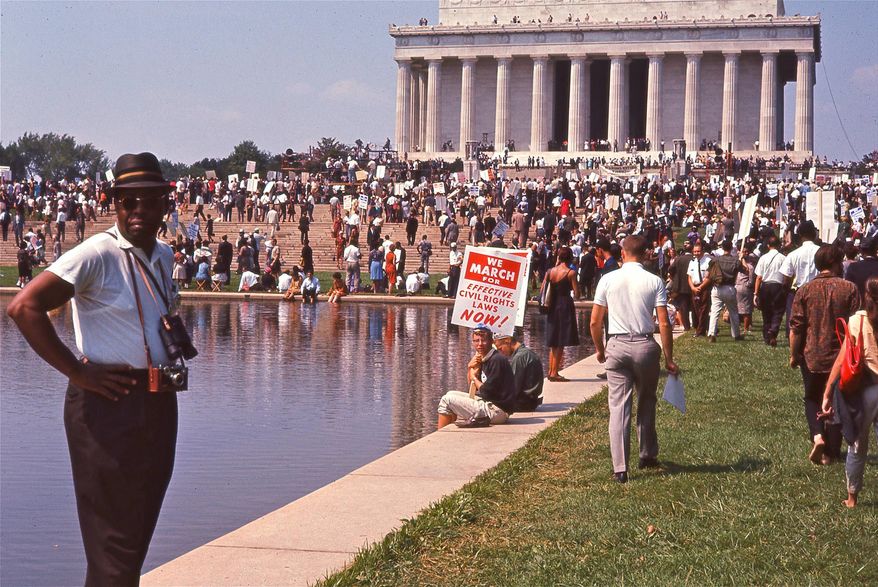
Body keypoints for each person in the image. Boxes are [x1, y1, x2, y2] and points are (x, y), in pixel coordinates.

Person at [6, 152, 185, 584]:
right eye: (128, 201)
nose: (138, 209)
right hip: (108, 402)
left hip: (158, 403)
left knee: (131, 541)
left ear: (165, 203)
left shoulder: (161, 254)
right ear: (114, 204)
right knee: (114, 547)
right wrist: (77, 372)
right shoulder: (97, 253)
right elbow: (24, 306)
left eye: (148, 199)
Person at [589, 235, 679, 483]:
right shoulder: (654, 280)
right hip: (644, 344)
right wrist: (669, 358)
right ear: (645, 253)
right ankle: (647, 453)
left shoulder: (607, 279)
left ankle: (620, 467)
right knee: (647, 400)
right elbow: (663, 322)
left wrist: (599, 349)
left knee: (618, 406)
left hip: (617, 344)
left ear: (623, 254)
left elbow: (595, 321)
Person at [790, 244, 859, 465]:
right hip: (840, 355)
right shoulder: (849, 289)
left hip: (811, 353)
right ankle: (831, 451)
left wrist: (794, 354)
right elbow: (855, 325)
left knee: (812, 398)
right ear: (836, 263)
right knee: (838, 402)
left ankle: (817, 436)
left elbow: (796, 327)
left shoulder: (804, 290)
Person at [822, 276, 878, 508]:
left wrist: (827, 391)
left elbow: (844, 358)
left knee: (857, 444)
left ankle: (852, 497)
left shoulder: (858, 321)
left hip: (864, 390)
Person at [437, 326, 517, 429]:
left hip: (498, 411)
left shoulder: (496, 360)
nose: (479, 344)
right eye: (476, 341)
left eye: (483, 340)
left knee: (446, 400)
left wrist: (474, 377)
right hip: (489, 403)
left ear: (491, 341)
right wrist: (470, 367)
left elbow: (486, 392)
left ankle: (442, 437)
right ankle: (448, 431)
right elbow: (472, 389)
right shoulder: (483, 358)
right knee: (450, 393)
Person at [543, 246, 580, 381]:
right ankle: (555, 372)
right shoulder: (571, 273)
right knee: (561, 339)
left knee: (553, 339)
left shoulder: (550, 271)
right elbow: (577, 294)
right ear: (570, 257)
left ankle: (551, 370)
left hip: (552, 305)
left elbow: (543, 289)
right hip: (564, 305)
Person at [705, 240, 745, 342]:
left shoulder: (715, 260)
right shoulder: (735, 260)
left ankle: (712, 334)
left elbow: (708, 273)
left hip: (716, 288)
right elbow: (745, 270)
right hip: (729, 288)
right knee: (733, 312)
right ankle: (736, 335)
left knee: (714, 312)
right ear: (731, 248)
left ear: (722, 248)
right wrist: (741, 258)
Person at [494, 332, 544, 411]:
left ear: (508, 341)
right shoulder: (527, 352)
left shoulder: (519, 357)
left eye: (500, 348)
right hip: (530, 400)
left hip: (523, 403)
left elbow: (513, 388)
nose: (501, 352)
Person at [753, 234, 787, 346]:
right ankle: (774, 330)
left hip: (765, 286)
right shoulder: (783, 258)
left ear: (768, 245)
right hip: (778, 286)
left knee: (766, 312)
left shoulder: (763, 258)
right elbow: (787, 275)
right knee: (778, 311)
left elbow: (759, 277)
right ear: (779, 245)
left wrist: (756, 293)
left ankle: (767, 336)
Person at [687, 242, 712, 337]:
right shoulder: (692, 262)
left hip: (704, 287)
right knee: (697, 309)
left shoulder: (708, 261)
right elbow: (689, 277)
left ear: (702, 251)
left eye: (698, 251)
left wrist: (700, 287)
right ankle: (704, 327)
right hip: (694, 288)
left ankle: (700, 332)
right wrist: (693, 288)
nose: (696, 253)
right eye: (695, 251)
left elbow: (709, 277)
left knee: (704, 309)